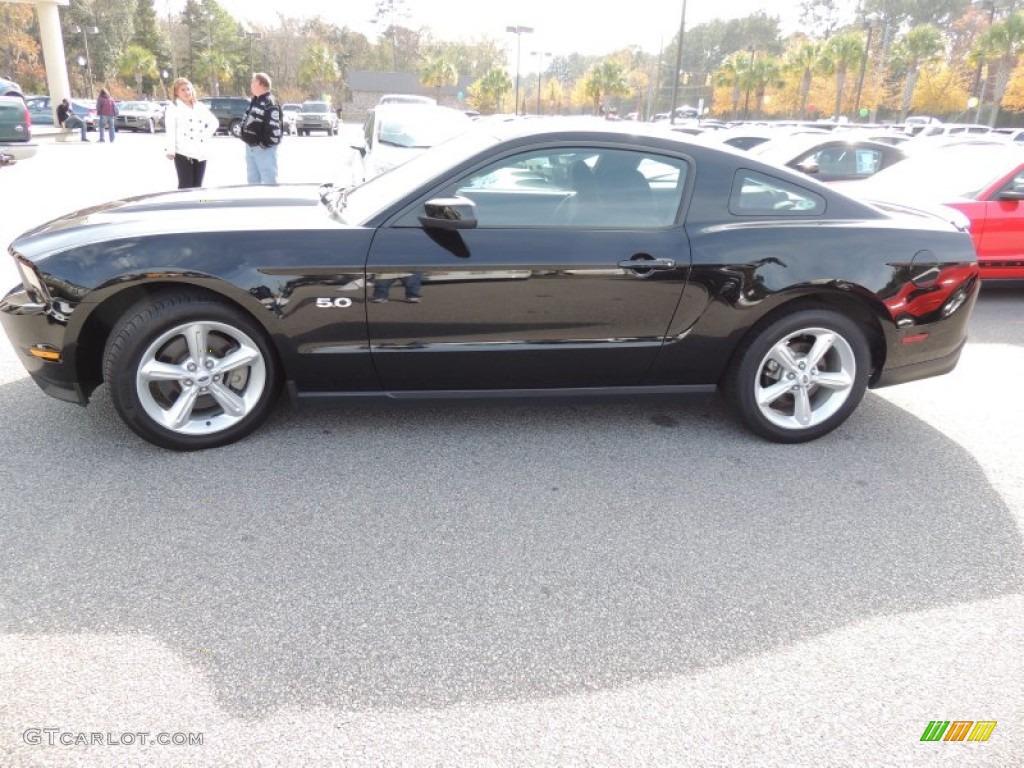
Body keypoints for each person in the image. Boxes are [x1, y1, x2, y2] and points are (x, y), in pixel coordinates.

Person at [163, 78, 218, 189]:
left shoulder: (200, 106)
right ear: (176, 93)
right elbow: (171, 130)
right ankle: (182, 206)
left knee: (198, 186)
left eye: (188, 89)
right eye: (183, 90)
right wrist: (170, 150)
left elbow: (214, 123)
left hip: (201, 152)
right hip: (183, 152)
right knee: (185, 186)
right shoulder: (173, 108)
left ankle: (199, 206)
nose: (187, 92)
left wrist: (204, 136)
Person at [239, 72, 282, 184]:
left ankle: (271, 202)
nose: (251, 85)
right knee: (252, 182)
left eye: (253, 81)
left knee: (269, 181)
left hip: (264, 149)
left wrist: (264, 144)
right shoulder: (255, 100)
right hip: (250, 147)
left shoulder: (270, 102)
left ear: (259, 83)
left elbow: (274, 127)